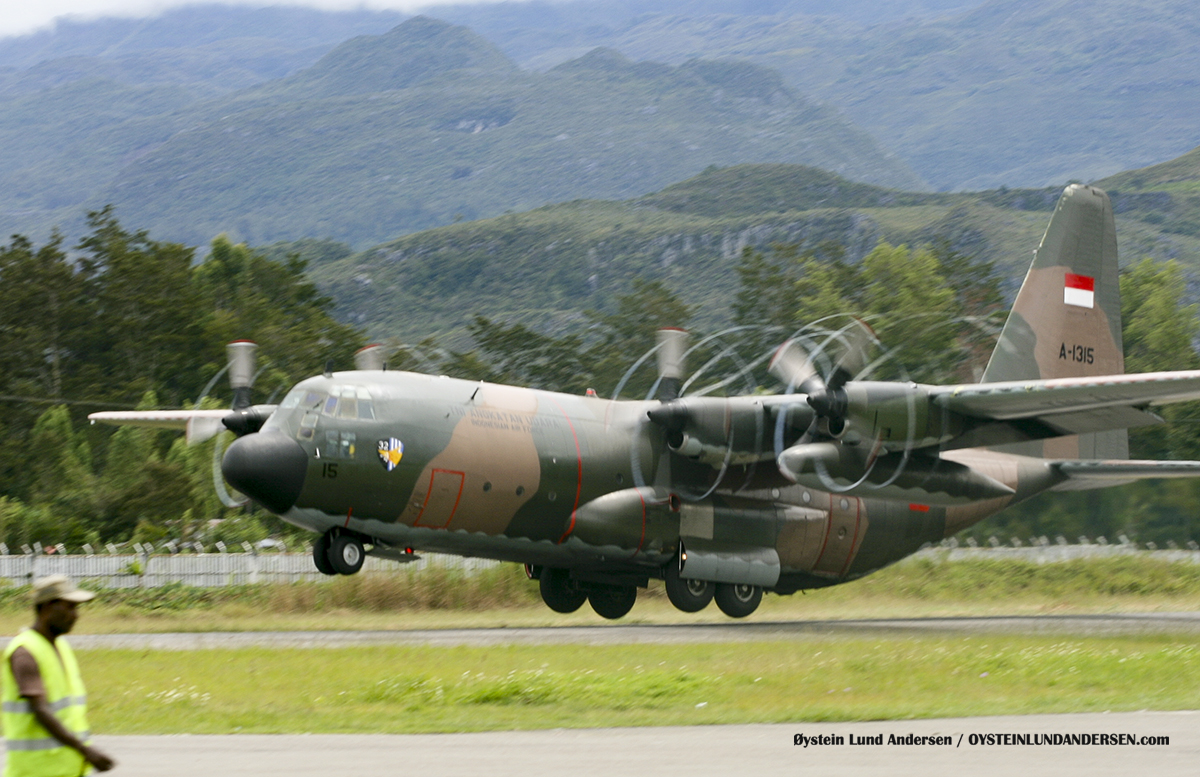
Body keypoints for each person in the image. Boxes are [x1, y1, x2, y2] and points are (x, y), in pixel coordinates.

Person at [2, 575, 114, 776]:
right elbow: (41, 711)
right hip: (36, 771)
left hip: (68, 769)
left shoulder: (60, 646)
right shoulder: (25, 652)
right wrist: (86, 751)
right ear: (47, 608)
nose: (76, 615)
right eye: (69, 607)